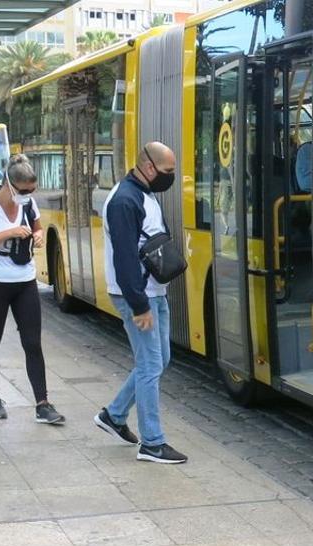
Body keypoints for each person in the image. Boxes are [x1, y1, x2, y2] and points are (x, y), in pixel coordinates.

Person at [94, 141, 187, 464]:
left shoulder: (143, 194)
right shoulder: (123, 200)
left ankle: (114, 415)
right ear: (149, 167)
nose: (170, 177)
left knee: (158, 361)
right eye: (168, 171)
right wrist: (139, 305)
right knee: (150, 366)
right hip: (138, 295)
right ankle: (152, 443)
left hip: (152, 292)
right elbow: (124, 258)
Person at [0, 155, 63, 425]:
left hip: (24, 280)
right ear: (9, 184)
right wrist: (7, 234)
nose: (28, 195)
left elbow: (37, 226)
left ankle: (43, 403)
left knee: (32, 342)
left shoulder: (29, 204)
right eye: (23, 190)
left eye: (32, 190)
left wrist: (39, 234)